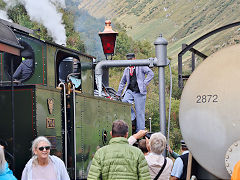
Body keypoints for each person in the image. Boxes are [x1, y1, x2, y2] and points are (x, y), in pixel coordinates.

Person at [116, 53, 154, 132]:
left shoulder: (141, 66)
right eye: (128, 59)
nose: (130, 61)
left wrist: (145, 83)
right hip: (130, 90)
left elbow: (151, 73)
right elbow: (122, 82)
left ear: (134, 59)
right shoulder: (127, 69)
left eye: (131, 59)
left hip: (139, 92)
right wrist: (118, 94)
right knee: (124, 102)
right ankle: (133, 117)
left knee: (140, 112)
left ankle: (140, 131)